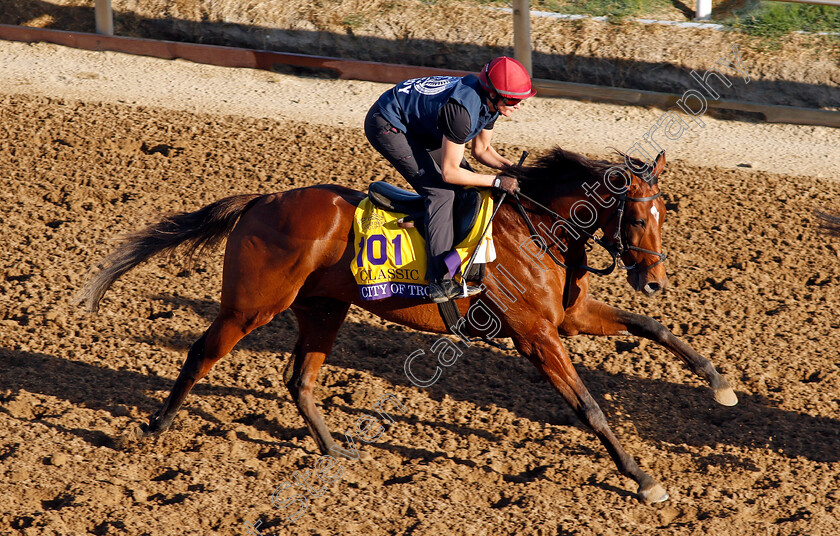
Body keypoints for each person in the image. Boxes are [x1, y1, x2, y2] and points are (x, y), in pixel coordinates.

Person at [364, 56, 536, 303]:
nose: (518, 105)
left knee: (469, 187)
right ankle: (440, 281)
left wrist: (516, 172)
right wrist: (498, 182)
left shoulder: (490, 103)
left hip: (420, 125)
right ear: (493, 94)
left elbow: (483, 150)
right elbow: (450, 173)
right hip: (387, 123)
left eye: (521, 99)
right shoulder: (461, 112)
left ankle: (453, 249)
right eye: (512, 99)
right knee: (442, 192)